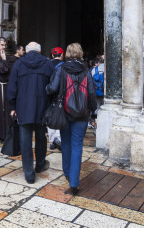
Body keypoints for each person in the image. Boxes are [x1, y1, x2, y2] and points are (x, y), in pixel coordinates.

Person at [46, 43, 97, 195]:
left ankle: (67, 173)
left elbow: (53, 88)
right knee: (77, 145)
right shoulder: (86, 70)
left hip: (65, 112)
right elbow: (92, 93)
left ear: (67, 54)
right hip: (81, 114)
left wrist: (46, 89)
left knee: (66, 143)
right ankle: (74, 183)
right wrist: (93, 113)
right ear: (80, 54)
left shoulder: (61, 69)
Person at [7, 42, 55, 184]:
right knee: (41, 136)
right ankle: (40, 165)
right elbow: (53, 86)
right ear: (39, 51)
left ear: (27, 52)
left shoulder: (19, 64)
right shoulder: (48, 64)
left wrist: (12, 106)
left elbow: (12, 87)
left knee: (25, 139)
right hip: (42, 105)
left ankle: (29, 173)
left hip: (23, 106)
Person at [48, 46, 65, 151]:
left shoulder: (47, 65)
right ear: (62, 55)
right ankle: (58, 139)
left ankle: (52, 141)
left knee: (50, 116)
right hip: (60, 95)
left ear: (53, 55)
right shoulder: (64, 66)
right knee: (59, 115)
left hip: (49, 93)